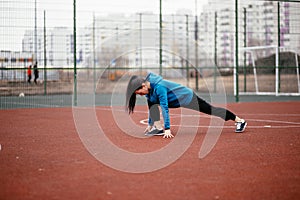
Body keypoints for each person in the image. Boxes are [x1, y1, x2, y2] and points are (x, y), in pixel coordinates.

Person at [125, 72, 247, 138]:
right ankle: (157, 128)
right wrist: (150, 123)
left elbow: (164, 108)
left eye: (139, 92)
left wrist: (168, 129)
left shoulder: (159, 87)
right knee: (152, 102)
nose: (140, 95)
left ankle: (239, 120)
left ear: (143, 86)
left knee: (211, 110)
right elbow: (151, 107)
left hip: (187, 97)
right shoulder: (149, 92)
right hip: (176, 101)